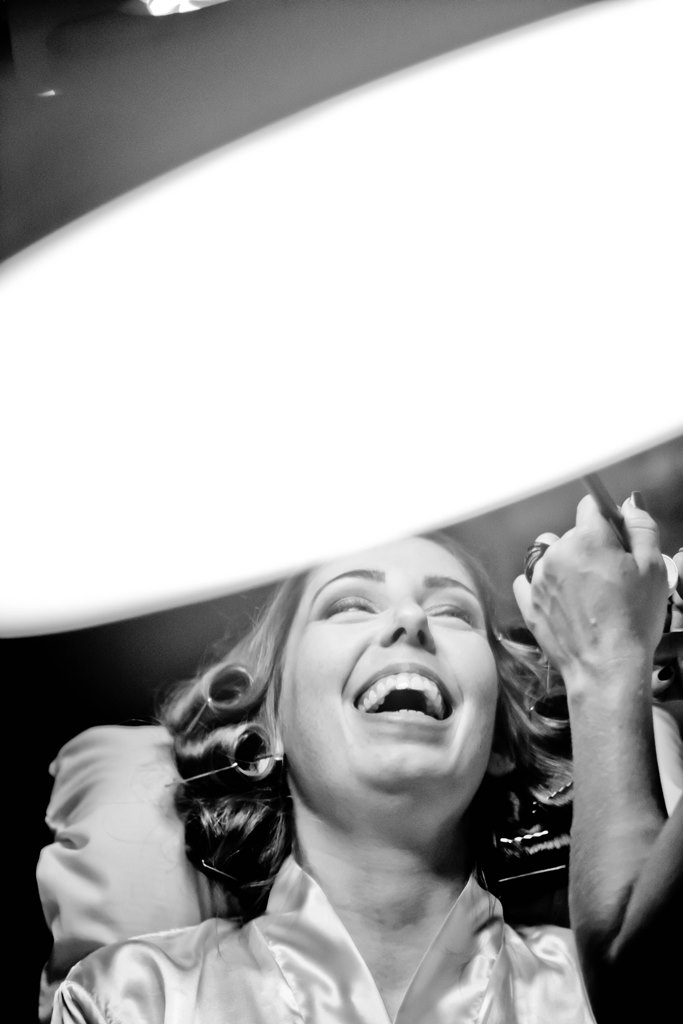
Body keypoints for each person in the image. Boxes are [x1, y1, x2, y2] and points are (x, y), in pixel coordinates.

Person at [50, 494, 681, 1024]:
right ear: (267, 730)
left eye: (452, 611)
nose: (409, 619)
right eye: (349, 604)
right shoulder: (133, 998)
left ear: (500, 742)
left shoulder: (619, 991)